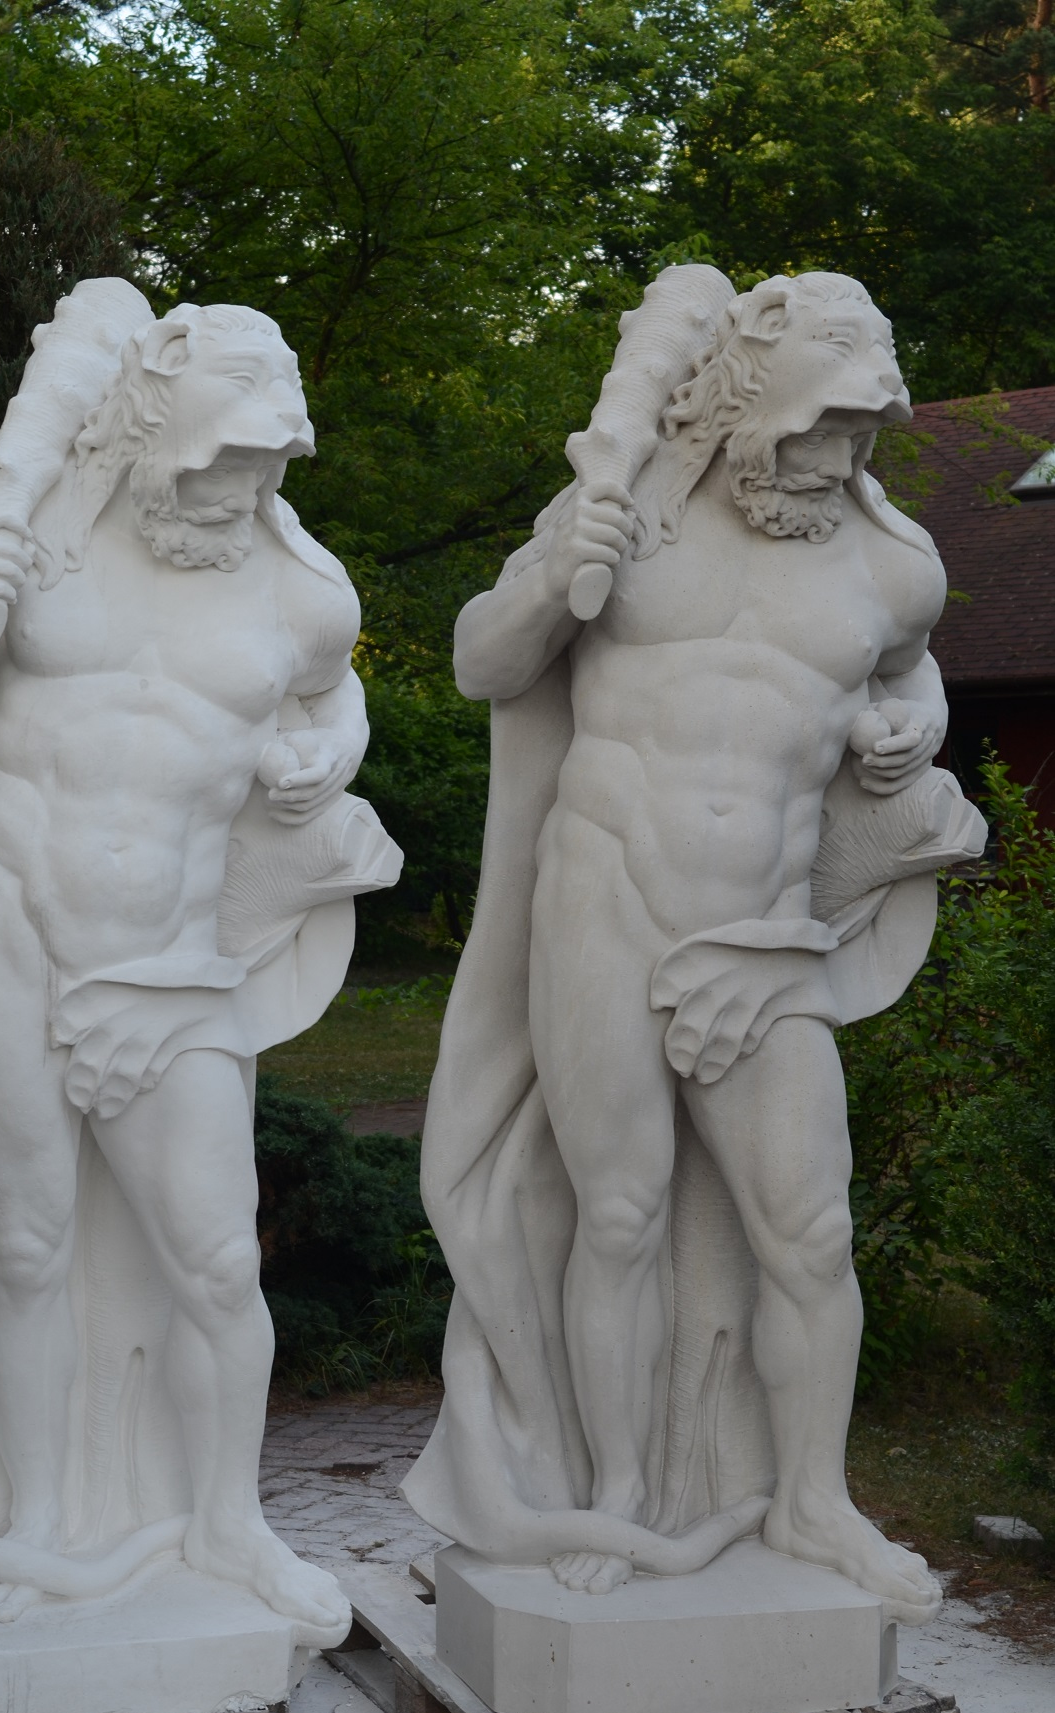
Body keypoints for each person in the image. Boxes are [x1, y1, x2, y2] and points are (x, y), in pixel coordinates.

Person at [403, 273, 983, 1624]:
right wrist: (562, 565)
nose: (840, 455)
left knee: (812, 1232)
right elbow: (485, 662)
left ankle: (813, 1501)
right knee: (618, 1212)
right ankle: (617, 1489)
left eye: (864, 431)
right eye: (821, 426)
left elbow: (911, 671)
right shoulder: (634, 508)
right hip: (603, 899)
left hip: (766, 933)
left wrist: (916, 722)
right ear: (751, 402)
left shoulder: (894, 563)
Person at [0, 293, 399, 1631]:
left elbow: (335, 694)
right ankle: (35, 1525)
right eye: (222, 458)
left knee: (218, 1264)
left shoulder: (303, 591)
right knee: (25, 1245)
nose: (242, 486)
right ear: (154, 434)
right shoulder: (36, 532)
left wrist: (332, 752)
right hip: (8, 936)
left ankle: (229, 1528)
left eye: (267, 461)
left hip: (173, 968)